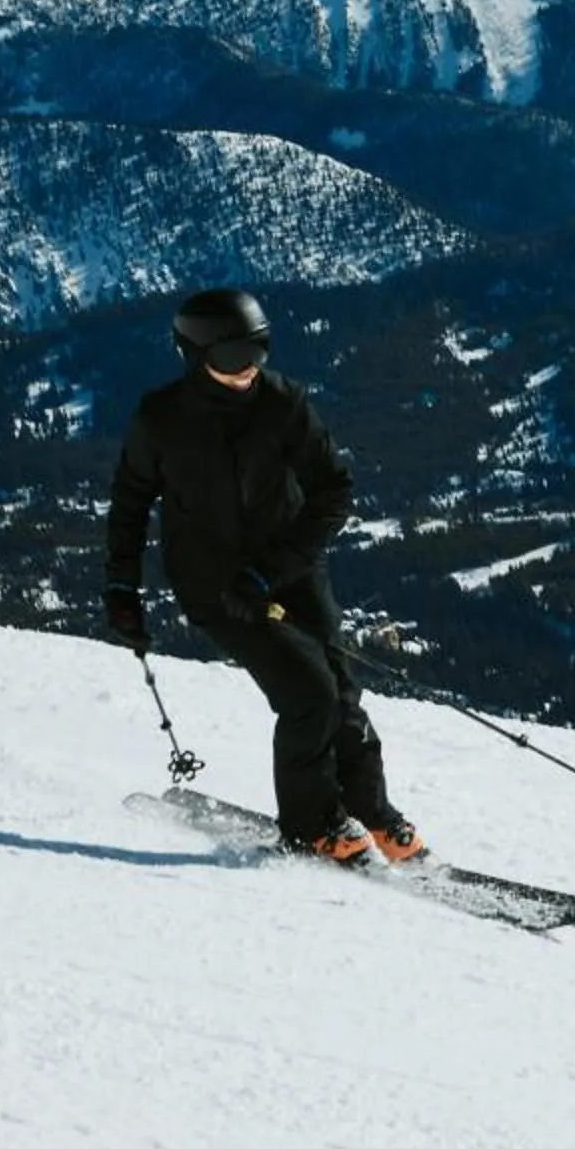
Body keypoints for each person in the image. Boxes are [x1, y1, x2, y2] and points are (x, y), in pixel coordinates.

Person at [102, 288, 424, 865]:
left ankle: (370, 811)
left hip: (290, 568)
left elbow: (333, 492)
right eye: (231, 357)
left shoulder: (283, 404)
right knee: (308, 695)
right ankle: (311, 826)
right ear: (196, 356)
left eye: (258, 350)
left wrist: (272, 570)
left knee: (342, 691)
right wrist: (122, 588)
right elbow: (130, 501)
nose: (248, 367)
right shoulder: (162, 419)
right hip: (216, 585)